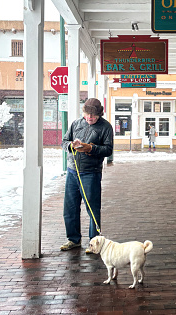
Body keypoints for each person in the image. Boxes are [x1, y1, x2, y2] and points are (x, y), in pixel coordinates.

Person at [60, 98, 113, 252]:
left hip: (91, 173)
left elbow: (108, 150)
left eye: (93, 116)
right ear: (83, 113)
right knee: (70, 208)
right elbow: (64, 141)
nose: (90, 118)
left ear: (99, 115)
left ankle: (94, 242)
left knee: (92, 208)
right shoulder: (76, 124)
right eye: (87, 115)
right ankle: (73, 239)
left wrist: (91, 148)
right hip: (72, 171)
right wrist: (70, 146)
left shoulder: (106, 127)